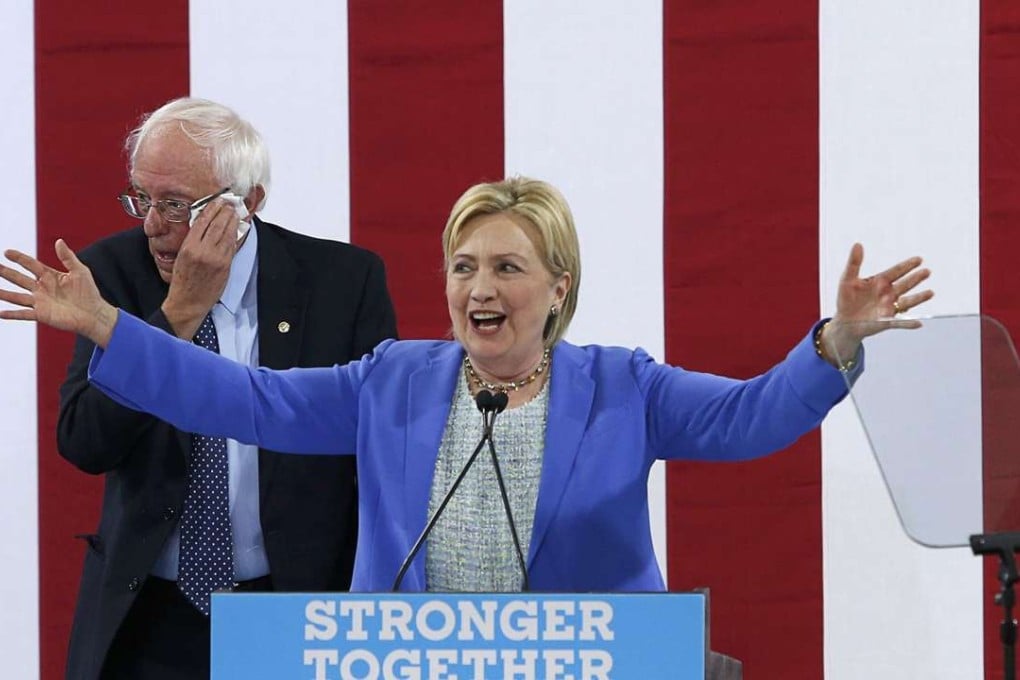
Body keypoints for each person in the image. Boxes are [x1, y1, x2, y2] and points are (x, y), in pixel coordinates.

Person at [1, 177, 931, 596]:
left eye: (506, 267)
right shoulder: (393, 381)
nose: (478, 289)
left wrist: (837, 338)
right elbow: (247, 401)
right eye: (461, 265)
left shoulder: (620, 387)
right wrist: (107, 326)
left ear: (558, 287)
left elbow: (745, 419)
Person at [29, 98, 397, 679]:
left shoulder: (342, 283)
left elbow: (376, 457)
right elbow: (85, 443)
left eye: (175, 205)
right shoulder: (111, 274)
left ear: (246, 202)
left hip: (292, 605)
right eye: (141, 199)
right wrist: (176, 316)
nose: (152, 224)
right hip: (150, 613)